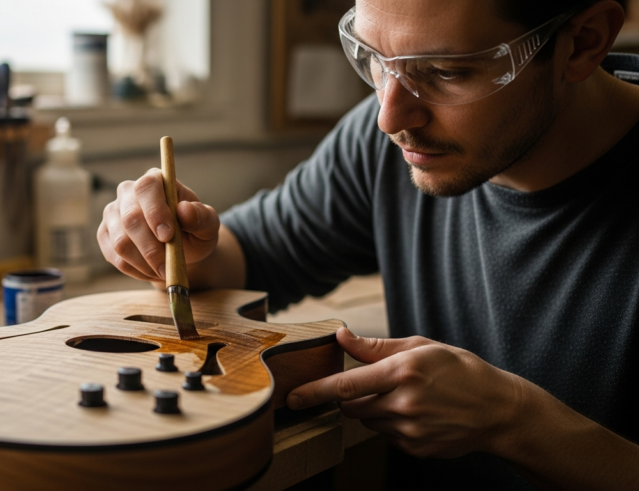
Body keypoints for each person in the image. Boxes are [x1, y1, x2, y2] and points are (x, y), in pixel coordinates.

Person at [97, 0, 639, 488]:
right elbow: (248, 256)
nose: (389, 117)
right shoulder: (386, 147)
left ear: (583, 42)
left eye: (447, 71)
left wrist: (517, 420)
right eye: (373, 56)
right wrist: (173, 241)